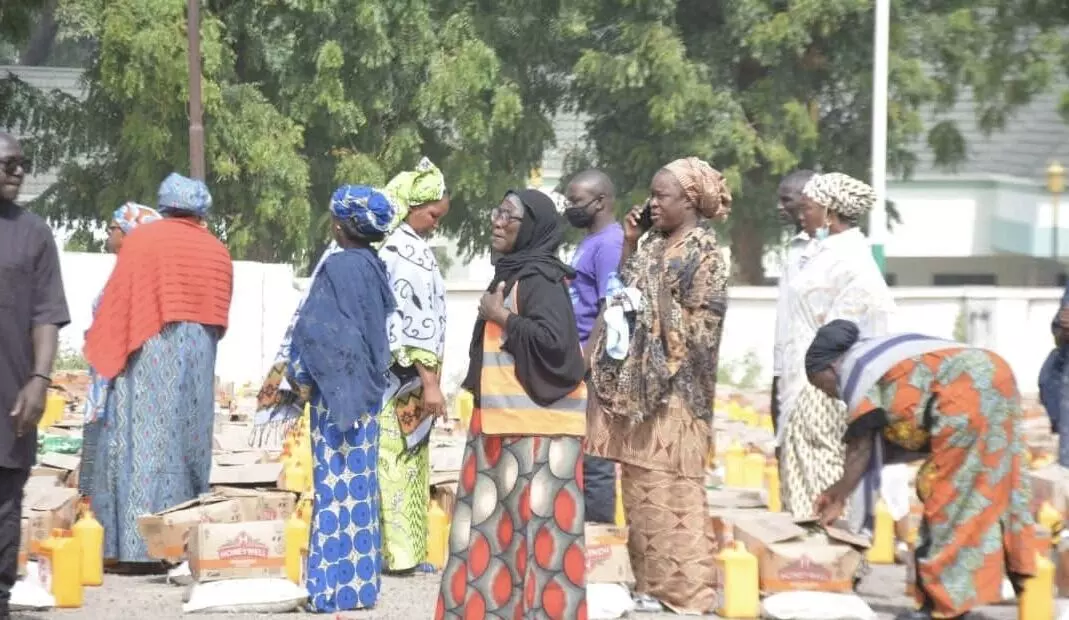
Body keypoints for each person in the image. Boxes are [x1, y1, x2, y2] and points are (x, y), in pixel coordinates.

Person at [805, 319, 1038, 620]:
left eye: (819, 385)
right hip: (996, 373)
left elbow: (861, 447)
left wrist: (839, 495)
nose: (827, 394)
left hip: (964, 392)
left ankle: (944, 609)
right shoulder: (881, 354)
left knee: (950, 498)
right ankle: (1026, 580)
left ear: (829, 368)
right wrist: (840, 490)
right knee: (1000, 483)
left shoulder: (855, 372)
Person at [436, 189, 588, 620]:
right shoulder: (514, 274)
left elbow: (560, 351)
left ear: (533, 227)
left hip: (539, 436)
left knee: (539, 538)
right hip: (506, 427)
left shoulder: (540, 279)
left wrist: (503, 317)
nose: (496, 222)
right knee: (496, 534)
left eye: (509, 215)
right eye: (496, 211)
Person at [588, 157, 731, 614]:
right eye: (651, 195)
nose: (652, 204)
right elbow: (623, 292)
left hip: (679, 393)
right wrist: (630, 243)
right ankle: (653, 587)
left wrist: (651, 303)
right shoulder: (651, 245)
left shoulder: (704, 252)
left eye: (661, 196)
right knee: (641, 491)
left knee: (676, 493)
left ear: (689, 201)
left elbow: (702, 329)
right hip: (642, 395)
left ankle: (689, 595)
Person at [85, 173, 233, 568]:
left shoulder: (144, 241)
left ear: (165, 204)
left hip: (148, 349)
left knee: (140, 441)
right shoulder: (217, 250)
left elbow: (117, 302)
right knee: (190, 441)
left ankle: (135, 548)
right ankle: (182, 545)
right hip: (200, 356)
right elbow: (219, 316)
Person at [288, 185, 396, 612]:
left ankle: (327, 589)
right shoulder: (374, 266)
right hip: (368, 393)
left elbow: (313, 330)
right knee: (361, 488)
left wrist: (298, 381)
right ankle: (361, 589)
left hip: (335, 395)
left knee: (332, 489)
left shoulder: (336, 267)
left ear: (339, 225)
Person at [778, 172, 895, 532]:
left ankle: (832, 563)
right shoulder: (822, 254)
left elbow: (852, 325)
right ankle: (808, 564)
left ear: (829, 211)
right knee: (801, 471)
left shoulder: (850, 260)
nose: (802, 213)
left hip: (826, 387)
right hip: (802, 381)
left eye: (809, 207)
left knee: (823, 471)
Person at [0, 132, 69, 617]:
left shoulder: (34, 233)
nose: (19, 172)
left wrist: (40, 379)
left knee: (4, 507)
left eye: (22, 164)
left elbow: (47, 313)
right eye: (9, 163)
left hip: (10, 396)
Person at [377, 158, 451, 574]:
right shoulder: (408, 251)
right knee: (400, 463)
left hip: (394, 378)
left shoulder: (391, 244)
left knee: (397, 460)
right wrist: (431, 383)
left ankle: (399, 551)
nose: (435, 223)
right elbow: (417, 324)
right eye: (433, 214)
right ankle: (402, 556)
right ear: (412, 205)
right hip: (405, 380)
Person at [79, 203, 162, 499]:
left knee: (107, 467)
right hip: (106, 384)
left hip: (115, 389)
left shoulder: (135, 280)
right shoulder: (127, 274)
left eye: (113, 227)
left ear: (129, 233)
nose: (108, 233)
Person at [562, 169, 624, 524]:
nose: (571, 208)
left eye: (576, 201)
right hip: (578, 357)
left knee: (597, 456)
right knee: (581, 453)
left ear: (600, 201)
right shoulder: (590, 241)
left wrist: (587, 359)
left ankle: (601, 546)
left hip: (594, 363)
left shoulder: (610, 244)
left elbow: (610, 305)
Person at [771, 170, 815, 434]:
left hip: (814, 373)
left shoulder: (826, 251)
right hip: (786, 368)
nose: (780, 207)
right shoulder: (794, 249)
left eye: (786, 200)